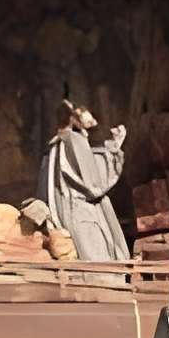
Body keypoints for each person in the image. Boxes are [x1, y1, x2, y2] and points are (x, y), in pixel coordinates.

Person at [39, 99, 132, 263]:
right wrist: (115, 150)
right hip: (81, 211)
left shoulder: (56, 144)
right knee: (96, 258)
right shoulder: (73, 141)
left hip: (67, 209)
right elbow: (93, 185)